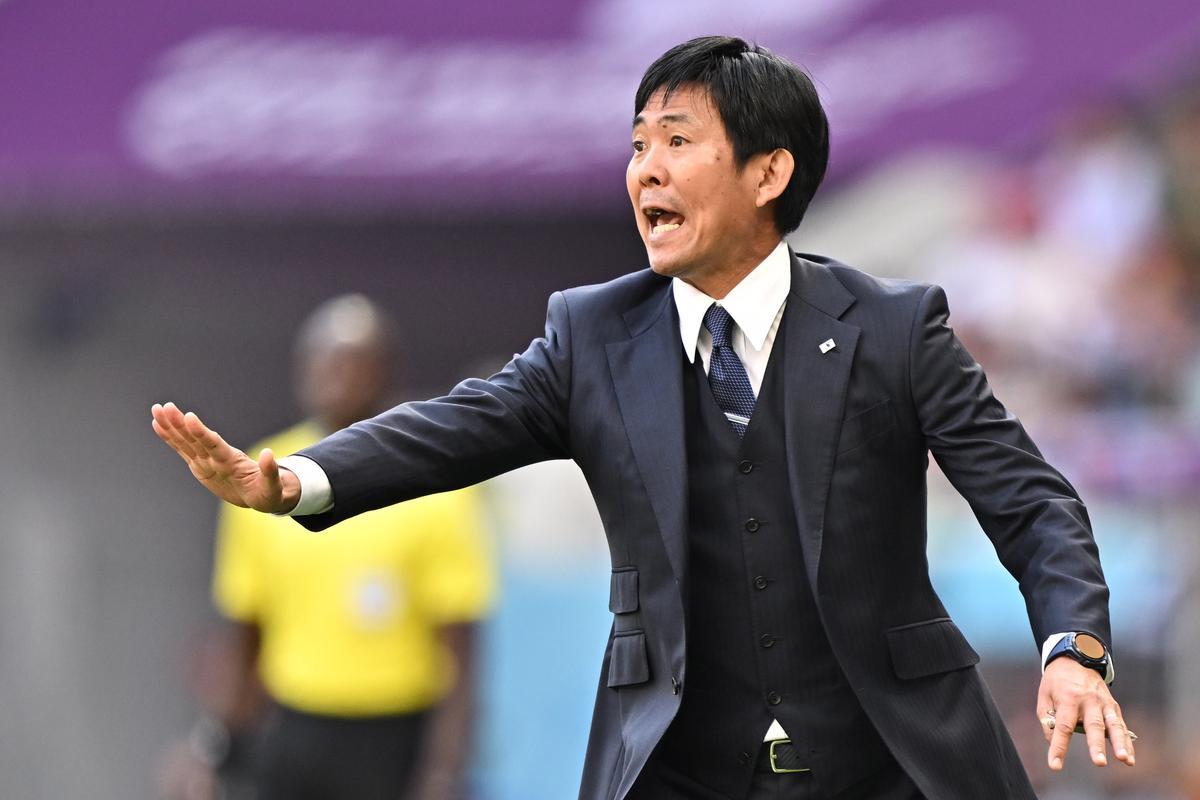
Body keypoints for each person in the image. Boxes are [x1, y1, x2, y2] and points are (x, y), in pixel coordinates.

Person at [152, 37, 1135, 800]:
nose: (645, 171)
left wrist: (1072, 646)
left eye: (678, 141)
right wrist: (293, 479)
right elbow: (458, 426)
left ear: (768, 173)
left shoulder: (892, 327)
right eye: (636, 146)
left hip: (889, 757)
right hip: (679, 763)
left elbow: (1031, 501)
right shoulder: (593, 335)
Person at [159, 295, 496, 800]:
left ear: (384, 372)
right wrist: (212, 745)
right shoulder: (260, 473)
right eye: (324, 360)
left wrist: (445, 771)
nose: (335, 375)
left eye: (352, 361)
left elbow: (461, 651)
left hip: (394, 734)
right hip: (296, 727)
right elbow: (246, 634)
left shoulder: (432, 481)